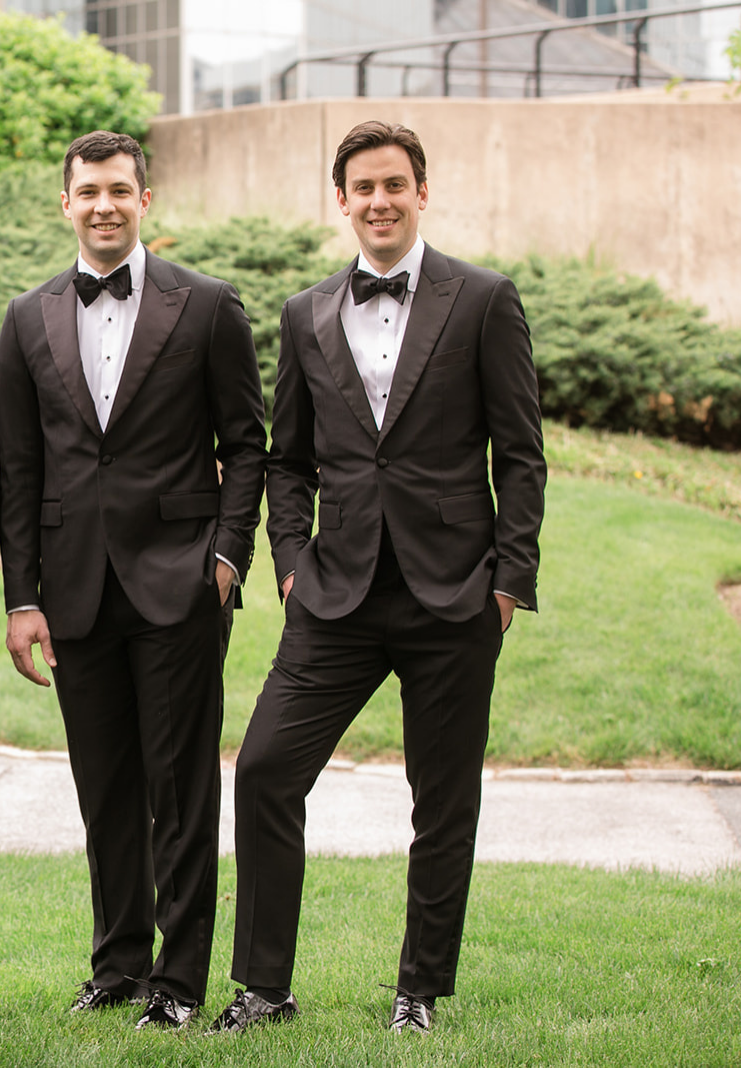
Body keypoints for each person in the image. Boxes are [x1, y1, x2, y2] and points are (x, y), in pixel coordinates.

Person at [210, 120, 546, 1037]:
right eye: (363, 187)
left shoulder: (483, 299)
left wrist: (510, 580)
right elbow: (288, 459)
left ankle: (419, 993)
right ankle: (264, 989)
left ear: (421, 192)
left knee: (443, 803)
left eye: (395, 184)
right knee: (268, 771)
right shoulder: (305, 311)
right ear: (342, 201)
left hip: (455, 595)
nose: (380, 201)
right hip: (335, 596)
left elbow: (521, 454)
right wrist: (288, 563)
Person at [0, 131, 268, 1029]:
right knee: (103, 784)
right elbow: (21, 468)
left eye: (120, 189)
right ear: (64, 204)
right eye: (88, 192)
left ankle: (180, 982)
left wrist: (226, 559)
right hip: (74, 589)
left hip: (181, 584)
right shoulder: (27, 317)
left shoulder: (209, 307)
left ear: (145, 200)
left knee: (181, 786)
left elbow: (247, 444)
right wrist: (23, 596)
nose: (104, 204)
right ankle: (116, 964)